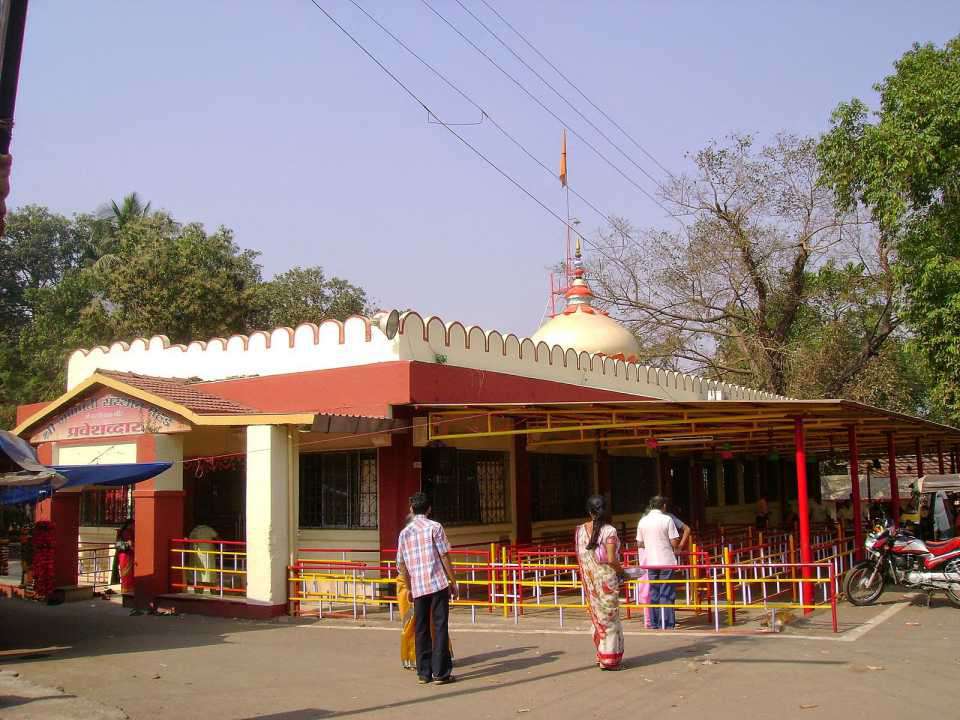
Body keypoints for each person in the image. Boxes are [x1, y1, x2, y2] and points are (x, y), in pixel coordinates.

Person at [396, 492, 457, 685]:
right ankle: (441, 672)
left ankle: (424, 673)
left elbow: (401, 564)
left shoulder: (404, 533)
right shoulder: (435, 527)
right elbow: (444, 556)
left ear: (412, 509)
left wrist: (410, 586)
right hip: (437, 583)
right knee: (439, 626)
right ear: (429, 509)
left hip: (418, 586)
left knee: (421, 628)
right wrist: (452, 580)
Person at [575, 495, 624, 670]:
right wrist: (622, 571)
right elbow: (611, 558)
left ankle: (601, 654)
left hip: (591, 583)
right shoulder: (609, 531)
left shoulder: (580, 531)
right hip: (607, 581)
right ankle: (609, 660)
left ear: (589, 511)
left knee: (600, 619)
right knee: (610, 619)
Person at [637, 495, 680, 629]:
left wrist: (651, 544)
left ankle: (654, 622)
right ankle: (667, 623)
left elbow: (639, 543)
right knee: (666, 592)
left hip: (651, 561)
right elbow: (674, 541)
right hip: (666, 560)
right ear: (664, 506)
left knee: (654, 592)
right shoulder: (667, 519)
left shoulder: (643, 521)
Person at [188, 522, 219, 593]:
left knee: (199, 573)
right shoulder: (209, 529)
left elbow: (189, 540)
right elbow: (217, 537)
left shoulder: (195, 530)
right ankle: (213, 591)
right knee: (211, 573)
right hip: (209, 554)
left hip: (198, 554)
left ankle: (199, 591)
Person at [111, 518, 135, 594]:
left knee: (128, 574)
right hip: (125, 555)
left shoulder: (125, 532)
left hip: (127, 555)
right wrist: (128, 544)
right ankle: (127, 590)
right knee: (126, 574)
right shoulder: (125, 532)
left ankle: (128, 590)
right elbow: (118, 544)